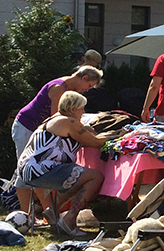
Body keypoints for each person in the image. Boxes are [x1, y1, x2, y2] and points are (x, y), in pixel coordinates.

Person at [16, 91, 108, 238]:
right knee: (95, 177)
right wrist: (120, 135)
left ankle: (52, 211)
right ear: (72, 109)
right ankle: (69, 220)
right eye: (81, 109)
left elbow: (88, 137)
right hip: (41, 170)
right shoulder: (68, 122)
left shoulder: (53, 119)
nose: (83, 112)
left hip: (28, 170)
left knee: (78, 178)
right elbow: (95, 142)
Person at [12, 66, 103, 214]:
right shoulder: (59, 88)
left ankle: (49, 212)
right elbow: (60, 115)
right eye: (89, 85)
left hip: (39, 129)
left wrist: (83, 128)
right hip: (26, 126)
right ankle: (28, 215)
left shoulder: (67, 89)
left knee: (35, 171)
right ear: (84, 78)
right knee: (25, 175)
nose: (87, 89)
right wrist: (83, 130)